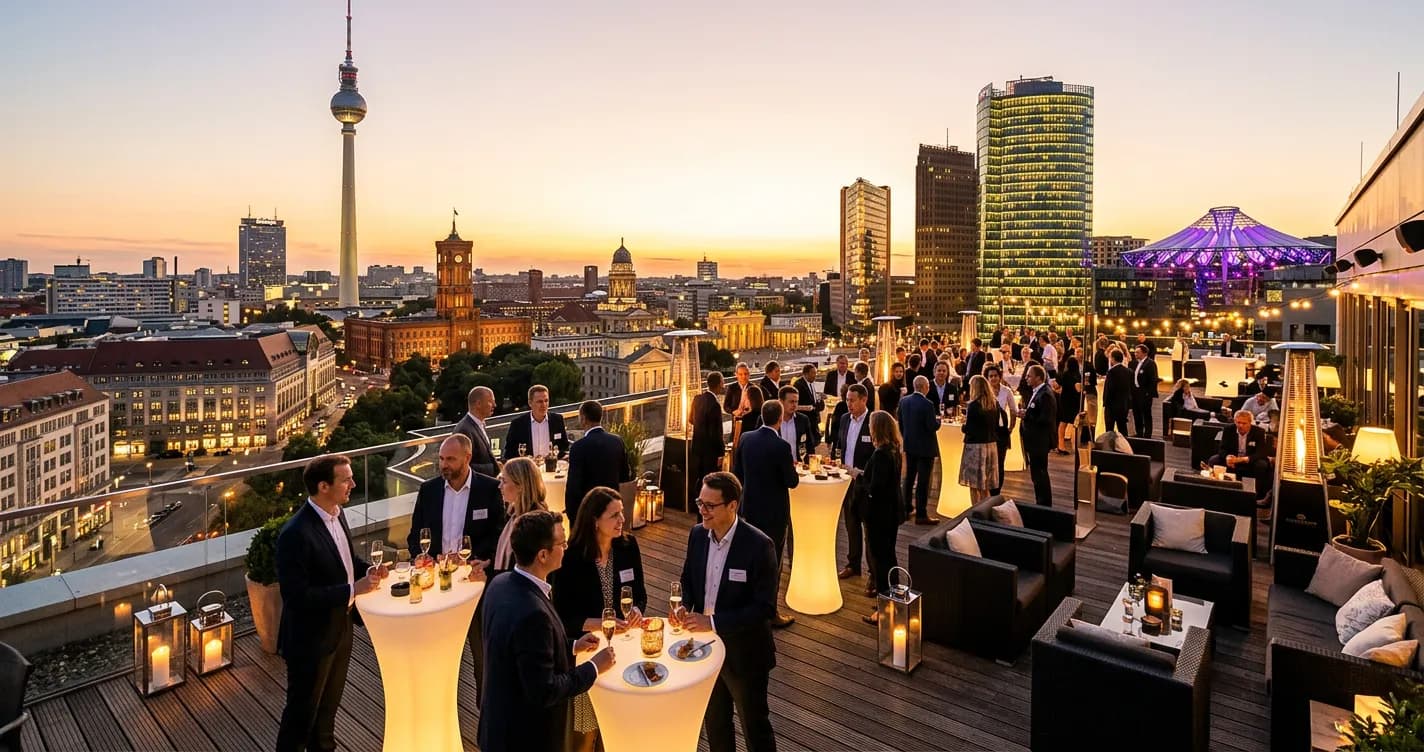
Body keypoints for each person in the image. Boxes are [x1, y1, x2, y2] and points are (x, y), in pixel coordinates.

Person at [478, 511, 616, 752]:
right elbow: (545, 690)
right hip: (527, 739)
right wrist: (594, 666)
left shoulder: (499, 585)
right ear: (543, 555)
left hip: (496, 727)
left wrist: (572, 645)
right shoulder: (533, 614)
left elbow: (519, 650)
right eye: (561, 543)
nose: (566, 547)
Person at [276, 455, 384, 752]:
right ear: (323, 486)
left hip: (341, 628)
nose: (353, 483)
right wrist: (353, 588)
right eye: (346, 479)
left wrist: (367, 571)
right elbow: (297, 597)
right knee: (301, 718)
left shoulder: (338, 513)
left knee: (327, 714)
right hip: (310, 639)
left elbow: (344, 562)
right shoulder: (295, 534)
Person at [675, 472, 779, 752]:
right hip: (705, 651)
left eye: (710, 505)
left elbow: (764, 608)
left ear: (732, 506)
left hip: (745, 655)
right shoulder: (697, 535)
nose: (702, 511)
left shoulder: (759, 546)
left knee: (755, 727)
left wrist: (711, 622)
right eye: (700, 503)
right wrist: (684, 603)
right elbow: (688, 579)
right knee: (716, 725)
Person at [552, 487, 647, 751]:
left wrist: (637, 611)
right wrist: (596, 623)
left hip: (624, 647)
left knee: (619, 721)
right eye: (614, 515)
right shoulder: (571, 558)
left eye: (622, 513)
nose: (622, 520)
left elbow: (640, 595)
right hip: (589, 650)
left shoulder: (628, 546)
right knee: (586, 728)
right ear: (595, 520)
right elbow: (561, 615)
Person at [733, 400, 799, 628]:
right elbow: (792, 482)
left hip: (749, 509)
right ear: (780, 419)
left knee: (749, 558)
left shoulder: (745, 439)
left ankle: (747, 603)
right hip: (774, 514)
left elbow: (737, 473)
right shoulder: (781, 447)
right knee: (773, 563)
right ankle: (770, 612)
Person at [407, 433, 505, 570]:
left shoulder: (489, 489)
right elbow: (415, 534)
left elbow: (497, 535)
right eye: (441, 459)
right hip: (434, 570)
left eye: (450, 459)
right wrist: (421, 556)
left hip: (472, 570)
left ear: (467, 458)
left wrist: (470, 558)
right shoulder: (428, 490)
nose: (444, 465)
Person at [858, 410, 905, 625]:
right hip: (892, 512)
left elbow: (875, 488)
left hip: (879, 515)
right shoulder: (894, 451)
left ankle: (884, 609)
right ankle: (891, 601)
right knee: (889, 557)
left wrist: (859, 477)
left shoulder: (880, 455)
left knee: (880, 560)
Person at [564, 400, 632, 524]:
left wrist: (572, 516)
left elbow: (573, 488)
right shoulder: (617, 441)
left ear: (583, 418)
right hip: (612, 506)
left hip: (589, 512)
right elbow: (625, 476)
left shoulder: (578, 447)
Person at [836, 384, 874, 589]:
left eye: (852, 400)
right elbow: (840, 446)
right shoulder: (843, 419)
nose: (848, 403)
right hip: (847, 482)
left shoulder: (873, 422)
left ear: (864, 400)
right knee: (851, 524)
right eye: (847, 400)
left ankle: (873, 573)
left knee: (868, 529)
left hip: (866, 484)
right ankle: (853, 564)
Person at [897, 375, 940, 524]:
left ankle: (906, 508)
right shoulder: (927, 404)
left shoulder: (903, 401)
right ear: (924, 387)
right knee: (923, 481)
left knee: (908, 479)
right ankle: (921, 514)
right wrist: (938, 422)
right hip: (925, 448)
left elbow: (900, 423)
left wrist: (906, 436)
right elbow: (931, 426)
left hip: (910, 445)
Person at [1208, 410, 1272, 506]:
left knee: (1261, 465)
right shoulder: (1228, 429)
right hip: (1233, 458)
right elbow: (1222, 448)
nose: (1241, 425)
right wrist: (1227, 457)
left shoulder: (1259, 432)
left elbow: (1261, 453)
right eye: (1238, 422)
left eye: (1244, 423)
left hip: (1249, 460)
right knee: (1213, 460)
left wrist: (1242, 459)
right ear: (1235, 421)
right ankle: (1216, 490)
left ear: (1250, 422)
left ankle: (1256, 494)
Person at [1017, 365, 1057, 507]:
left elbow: (1046, 419)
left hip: (1039, 441)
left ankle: (1044, 504)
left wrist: (1026, 415)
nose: (1026, 378)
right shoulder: (1038, 392)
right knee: (1037, 474)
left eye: (1029, 376)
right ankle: (1041, 502)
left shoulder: (1045, 394)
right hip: (1035, 440)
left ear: (1038, 377)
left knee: (1040, 474)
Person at [961, 375, 1003, 503]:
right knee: (986, 484)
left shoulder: (973, 405)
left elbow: (969, 429)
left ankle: (975, 511)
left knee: (974, 484)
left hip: (975, 447)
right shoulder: (994, 403)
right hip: (991, 446)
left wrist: (963, 426)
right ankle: (985, 508)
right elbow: (997, 425)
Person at [503, 384, 570, 461]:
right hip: (528, 470)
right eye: (539, 401)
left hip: (552, 469)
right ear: (530, 403)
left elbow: (564, 447)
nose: (544, 405)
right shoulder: (518, 424)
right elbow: (509, 454)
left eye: (546, 401)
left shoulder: (557, 420)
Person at [690, 371, 729, 486]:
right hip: (710, 451)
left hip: (697, 446)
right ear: (718, 385)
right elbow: (716, 432)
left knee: (699, 477)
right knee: (709, 481)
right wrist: (721, 452)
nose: (723, 385)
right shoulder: (715, 405)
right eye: (722, 382)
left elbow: (690, 419)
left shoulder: (697, 398)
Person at [454, 385, 500, 476]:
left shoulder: (480, 424)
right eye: (491, 402)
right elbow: (463, 466)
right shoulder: (464, 430)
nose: (495, 405)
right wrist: (494, 467)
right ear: (478, 404)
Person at [985, 365, 1016, 495]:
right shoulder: (985, 392)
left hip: (1002, 431)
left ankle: (997, 491)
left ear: (1000, 376)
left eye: (995, 376)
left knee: (999, 463)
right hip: (988, 431)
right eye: (990, 376)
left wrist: (1011, 427)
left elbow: (1013, 410)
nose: (993, 378)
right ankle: (988, 489)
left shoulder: (1006, 391)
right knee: (988, 463)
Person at [1053, 355, 1082, 455]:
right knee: (1075, 422)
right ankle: (1075, 444)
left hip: (1065, 400)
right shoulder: (1078, 375)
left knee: (1063, 422)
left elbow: (1056, 386)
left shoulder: (1065, 374)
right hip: (1075, 400)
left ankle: (1061, 444)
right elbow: (1079, 389)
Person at [775, 385, 812, 463]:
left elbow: (809, 446)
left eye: (796, 401)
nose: (795, 405)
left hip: (798, 468)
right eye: (791, 401)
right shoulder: (772, 420)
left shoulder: (803, 420)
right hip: (776, 469)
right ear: (781, 402)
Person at [1131, 345, 1160, 439]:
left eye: (1138, 352)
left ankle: (1147, 434)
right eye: (1135, 352)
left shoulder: (1150, 363)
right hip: (1136, 392)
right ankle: (1139, 432)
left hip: (1145, 393)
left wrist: (1148, 393)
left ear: (1144, 353)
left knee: (1146, 414)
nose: (1135, 354)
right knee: (1137, 413)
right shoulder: (1135, 363)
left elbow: (1153, 380)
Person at [792, 363, 823, 451]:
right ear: (806, 374)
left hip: (813, 420)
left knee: (813, 444)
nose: (815, 375)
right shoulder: (798, 385)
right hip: (805, 420)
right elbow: (795, 405)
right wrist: (807, 407)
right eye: (813, 373)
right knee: (808, 446)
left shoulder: (811, 383)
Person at [1102, 348, 1133, 435]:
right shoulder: (1128, 371)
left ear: (1113, 358)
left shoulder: (1111, 372)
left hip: (1111, 406)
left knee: (1109, 429)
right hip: (1123, 405)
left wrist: (1105, 402)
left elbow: (1109, 389)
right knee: (1123, 428)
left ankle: (1109, 446)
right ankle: (1124, 445)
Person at [823, 355, 854, 438]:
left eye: (845, 363)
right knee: (834, 425)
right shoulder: (831, 375)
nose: (843, 365)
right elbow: (826, 391)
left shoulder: (852, 376)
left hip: (847, 405)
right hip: (833, 405)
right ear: (837, 364)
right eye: (841, 363)